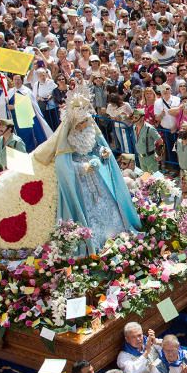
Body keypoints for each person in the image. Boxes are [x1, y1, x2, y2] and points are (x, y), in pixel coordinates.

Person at [47, 85, 141, 254]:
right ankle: (95, 241)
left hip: (97, 176)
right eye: (81, 123)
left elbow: (98, 147)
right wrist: (82, 167)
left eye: (86, 121)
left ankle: (115, 234)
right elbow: (62, 164)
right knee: (90, 211)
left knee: (107, 206)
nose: (85, 125)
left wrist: (103, 153)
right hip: (82, 181)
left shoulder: (91, 129)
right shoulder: (67, 138)